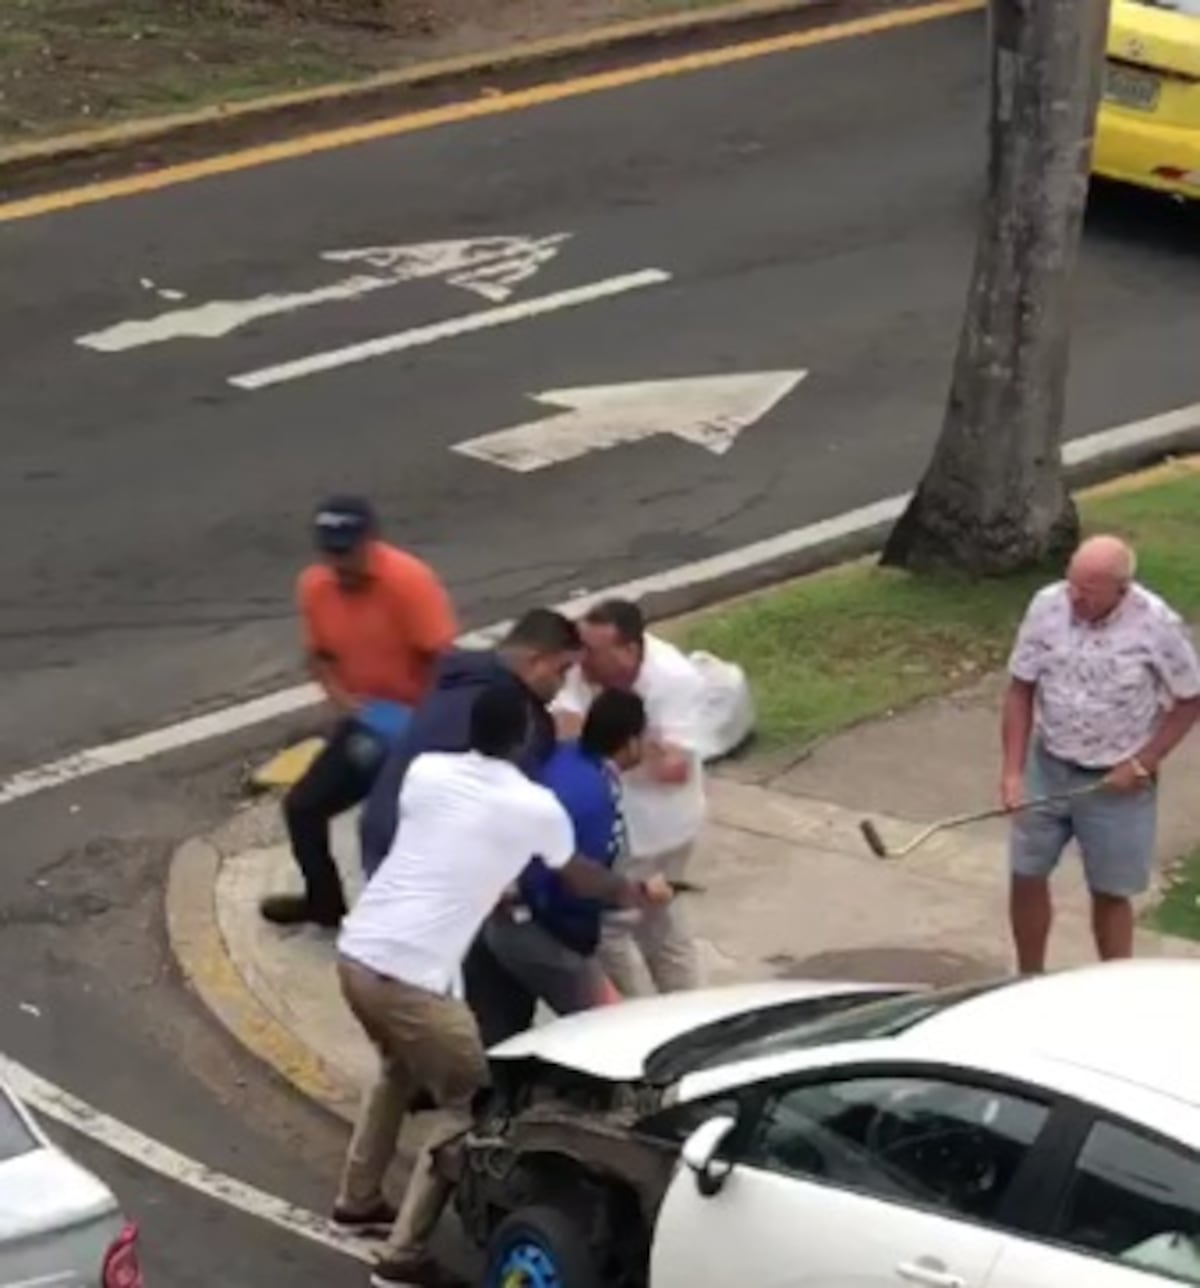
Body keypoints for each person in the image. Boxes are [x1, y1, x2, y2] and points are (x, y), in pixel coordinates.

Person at [331, 683, 671, 1287]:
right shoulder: (532, 806)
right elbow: (579, 877)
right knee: (471, 1104)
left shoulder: (427, 771)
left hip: (357, 956)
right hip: (412, 980)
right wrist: (635, 890)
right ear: (522, 740)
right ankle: (403, 1257)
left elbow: (456, 839)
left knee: (396, 1071)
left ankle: (358, 1202)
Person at [1002, 533, 1200, 973]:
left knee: (1111, 892)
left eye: (1087, 591)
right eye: (1071, 584)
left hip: (1116, 782)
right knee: (1026, 872)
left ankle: (1113, 989)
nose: (1074, 598)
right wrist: (1013, 773)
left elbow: (1190, 699)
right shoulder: (1046, 606)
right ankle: (1028, 976)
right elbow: (1020, 689)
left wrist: (1144, 762)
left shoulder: (1156, 624)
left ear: (1121, 590)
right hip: (1048, 764)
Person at [260, 497, 456, 929]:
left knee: (390, 831)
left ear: (371, 541)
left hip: (420, 728)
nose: (340, 563)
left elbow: (445, 665)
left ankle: (420, 925)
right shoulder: (315, 587)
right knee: (303, 807)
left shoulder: (409, 583)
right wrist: (345, 703)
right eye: (331, 552)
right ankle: (324, 903)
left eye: (347, 551)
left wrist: (424, 733)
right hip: (368, 723)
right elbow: (319, 656)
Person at [358, 608, 581, 880]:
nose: (563, 684)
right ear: (535, 662)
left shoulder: (456, 678)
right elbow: (512, 814)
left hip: (379, 834)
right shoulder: (518, 720)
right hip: (434, 861)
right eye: (563, 670)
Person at [553, 598, 705, 996]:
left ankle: (664, 1012)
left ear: (630, 651)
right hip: (612, 823)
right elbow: (562, 727)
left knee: (640, 929)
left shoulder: (674, 679)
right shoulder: (581, 670)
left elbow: (675, 768)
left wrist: (602, 742)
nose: (580, 662)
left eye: (593, 652)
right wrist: (630, 742)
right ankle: (645, 1010)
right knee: (625, 929)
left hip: (659, 828)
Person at [481, 688, 647, 1037]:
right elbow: (574, 880)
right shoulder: (594, 796)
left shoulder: (565, 757)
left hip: (500, 914)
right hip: (538, 929)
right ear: (631, 742)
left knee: (502, 1031)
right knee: (613, 1031)